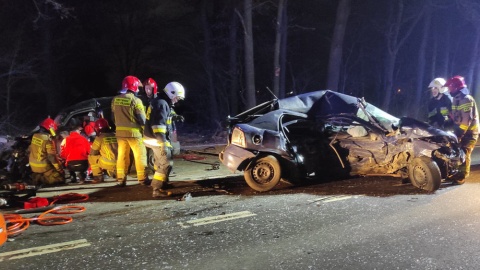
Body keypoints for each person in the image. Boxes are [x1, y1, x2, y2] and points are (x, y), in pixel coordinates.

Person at [144, 81, 185, 197]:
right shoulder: (161, 103)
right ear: (172, 94)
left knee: (159, 162)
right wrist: (163, 143)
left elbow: (166, 113)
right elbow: (158, 125)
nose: (177, 100)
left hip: (152, 137)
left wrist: (175, 116)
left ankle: (163, 183)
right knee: (166, 162)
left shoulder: (161, 101)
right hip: (156, 138)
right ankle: (156, 189)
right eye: (177, 97)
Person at [111, 75, 149, 187]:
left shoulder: (115, 100)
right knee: (140, 156)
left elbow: (113, 117)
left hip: (120, 134)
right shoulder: (136, 100)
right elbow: (142, 120)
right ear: (134, 87)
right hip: (135, 134)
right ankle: (142, 179)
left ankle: (120, 180)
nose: (138, 90)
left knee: (122, 156)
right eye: (138, 88)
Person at [444, 75, 479, 181]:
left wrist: (459, 133)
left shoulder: (466, 100)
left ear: (456, 87)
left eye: (450, 87)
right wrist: (449, 121)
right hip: (460, 130)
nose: (449, 90)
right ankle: (456, 172)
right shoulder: (456, 98)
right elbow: (455, 115)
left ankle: (462, 176)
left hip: (470, 132)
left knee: (464, 151)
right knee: (456, 151)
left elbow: (466, 120)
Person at [28, 117, 65, 186]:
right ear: (50, 128)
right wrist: (59, 169)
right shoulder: (48, 139)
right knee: (60, 179)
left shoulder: (35, 136)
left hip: (33, 166)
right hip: (43, 167)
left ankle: (38, 177)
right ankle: (43, 179)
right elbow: (51, 157)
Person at [60, 118, 91, 184]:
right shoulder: (83, 139)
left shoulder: (65, 140)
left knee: (65, 162)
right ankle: (82, 176)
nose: (80, 132)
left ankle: (72, 176)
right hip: (83, 164)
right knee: (88, 161)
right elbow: (89, 152)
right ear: (77, 131)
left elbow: (63, 155)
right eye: (79, 131)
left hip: (70, 165)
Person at [88, 118, 118, 184]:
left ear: (97, 128)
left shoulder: (100, 137)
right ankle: (116, 173)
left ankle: (98, 177)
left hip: (108, 162)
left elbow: (93, 152)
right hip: (121, 163)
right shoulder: (116, 135)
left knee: (91, 157)